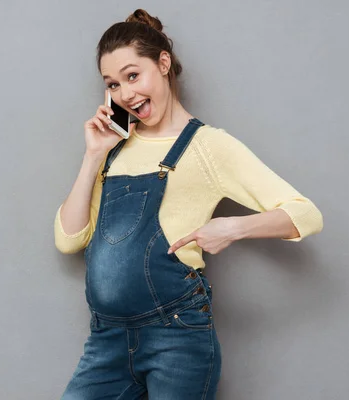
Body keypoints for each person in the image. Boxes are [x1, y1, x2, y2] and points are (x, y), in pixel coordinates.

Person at [54, 9, 323, 400]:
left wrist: (233, 228)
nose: (125, 94)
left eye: (133, 75)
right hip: (107, 340)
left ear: (163, 63)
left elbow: (306, 214)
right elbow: (68, 240)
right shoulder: (112, 151)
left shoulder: (208, 146)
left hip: (176, 339)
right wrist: (93, 155)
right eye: (112, 84)